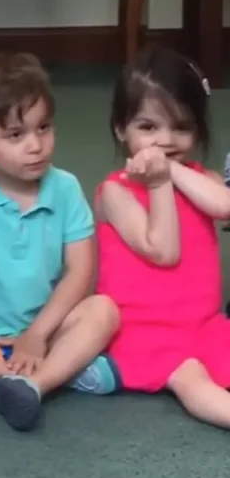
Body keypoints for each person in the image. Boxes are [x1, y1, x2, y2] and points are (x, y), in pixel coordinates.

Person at [0, 53, 119, 433]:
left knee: (105, 310)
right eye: (16, 135)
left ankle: (35, 383)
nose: (36, 146)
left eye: (44, 128)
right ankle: (65, 371)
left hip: (43, 325)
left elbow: (80, 271)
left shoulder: (65, 188)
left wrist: (37, 335)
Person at [96, 46, 230, 428]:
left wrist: (170, 171)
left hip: (204, 323)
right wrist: (158, 183)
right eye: (148, 127)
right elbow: (163, 250)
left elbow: (224, 206)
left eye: (182, 127)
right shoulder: (116, 192)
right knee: (192, 381)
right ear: (122, 129)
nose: (165, 140)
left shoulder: (201, 180)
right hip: (146, 331)